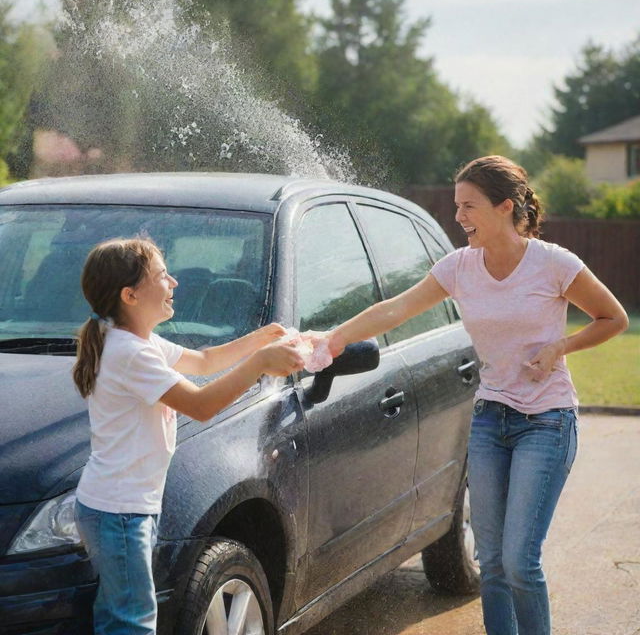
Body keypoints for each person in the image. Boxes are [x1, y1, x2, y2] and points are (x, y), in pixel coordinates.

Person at [314, 155, 629, 635]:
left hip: (547, 421)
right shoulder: (460, 267)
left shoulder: (554, 263)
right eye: (457, 205)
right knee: (492, 562)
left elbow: (615, 319)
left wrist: (560, 346)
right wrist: (332, 340)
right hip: (490, 420)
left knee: (520, 560)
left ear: (505, 207)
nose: (458, 217)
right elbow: (395, 308)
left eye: (469, 206)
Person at [72, 237, 304, 635]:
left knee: (118, 614)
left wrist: (259, 340)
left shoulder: (134, 340)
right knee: (132, 622)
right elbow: (200, 405)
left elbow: (204, 361)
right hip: (120, 512)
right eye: (163, 276)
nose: (174, 283)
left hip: (117, 505)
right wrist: (261, 364)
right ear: (130, 295)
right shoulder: (130, 352)